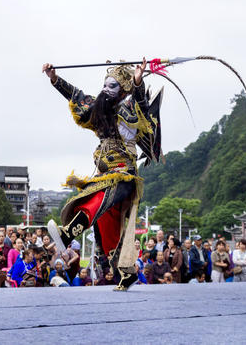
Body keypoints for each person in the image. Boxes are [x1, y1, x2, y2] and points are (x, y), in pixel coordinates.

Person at [43, 58, 162, 291]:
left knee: (95, 199)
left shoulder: (129, 109)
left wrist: (137, 82)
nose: (107, 89)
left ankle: (67, 235)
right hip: (105, 174)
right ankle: (124, 272)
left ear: (123, 90)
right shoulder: (100, 110)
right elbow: (76, 96)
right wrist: (55, 80)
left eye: (113, 86)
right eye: (105, 84)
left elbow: (141, 106)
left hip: (124, 176)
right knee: (106, 227)